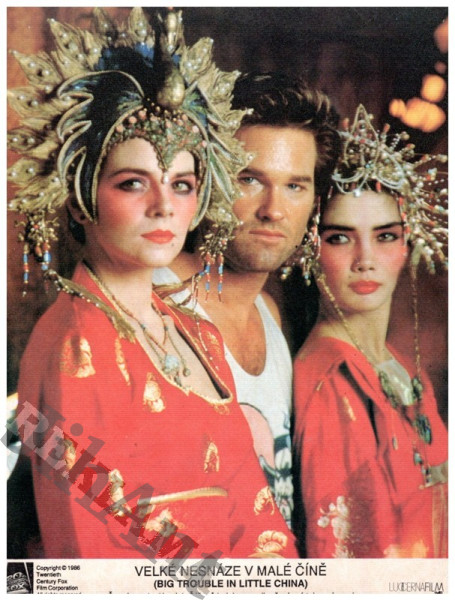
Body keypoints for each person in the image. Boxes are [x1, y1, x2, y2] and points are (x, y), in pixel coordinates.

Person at [8, 7, 297, 559]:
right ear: (81, 199)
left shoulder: (196, 332)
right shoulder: (73, 343)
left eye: (182, 184)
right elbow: (90, 548)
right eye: (133, 182)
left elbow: (257, 510)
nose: (164, 205)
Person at [153, 72, 340, 527]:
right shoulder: (151, 301)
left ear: (315, 205)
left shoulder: (269, 314)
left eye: (295, 186)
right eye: (250, 179)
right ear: (207, 181)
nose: (273, 210)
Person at [292, 104, 448, 558]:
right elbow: (341, 554)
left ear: (408, 243)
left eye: (385, 236)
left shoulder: (398, 363)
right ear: (311, 249)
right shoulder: (328, 378)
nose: (365, 259)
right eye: (339, 238)